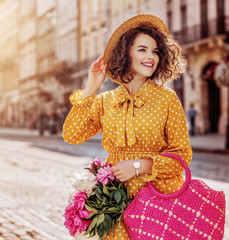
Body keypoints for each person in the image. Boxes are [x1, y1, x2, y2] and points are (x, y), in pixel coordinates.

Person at [63, 14, 192, 240]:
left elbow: (183, 155)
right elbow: (72, 134)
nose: (150, 57)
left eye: (155, 51)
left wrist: (140, 165)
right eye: (142, 49)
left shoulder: (167, 99)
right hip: (114, 201)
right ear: (126, 53)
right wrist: (91, 86)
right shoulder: (106, 101)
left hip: (157, 199)